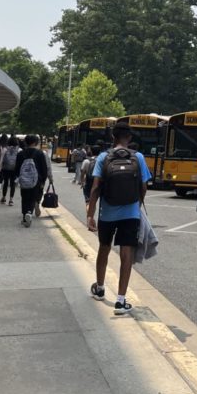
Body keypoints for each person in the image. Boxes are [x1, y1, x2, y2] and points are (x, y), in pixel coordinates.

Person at [87, 122, 151, 315]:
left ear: (112, 137)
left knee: (104, 249)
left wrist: (90, 213)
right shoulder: (138, 157)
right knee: (126, 254)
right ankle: (121, 301)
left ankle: (99, 288)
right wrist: (136, 206)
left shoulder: (103, 157)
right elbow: (144, 186)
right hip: (130, 214)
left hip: (107, 213)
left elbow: (96, 187)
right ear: (129, 138)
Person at [15, 134, 48, 227]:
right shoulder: (40, 153)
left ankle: (25, 215)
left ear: (26, 142)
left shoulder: (21, 154)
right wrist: (43, 181)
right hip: (36, 180)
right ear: (35, 142)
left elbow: (17, 168)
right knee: (33, 198)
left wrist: (18, 178)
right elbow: (44, 168)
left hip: (24, 179)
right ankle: (30, 212)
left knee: (24, 197)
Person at [0, 138, 20, 206]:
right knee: (12, 184)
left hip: (6, 169)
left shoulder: (5, 149)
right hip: (14, 169)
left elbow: (1, 160)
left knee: (5, 183)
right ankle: (11, 200)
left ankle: (4, 198)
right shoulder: (19, 150)